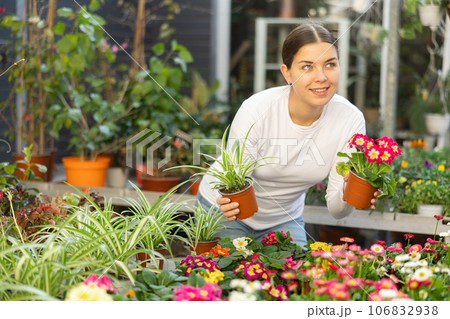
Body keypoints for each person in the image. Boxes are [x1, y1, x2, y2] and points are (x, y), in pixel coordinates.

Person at [195, 23, 374, 248]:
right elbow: (236, 183)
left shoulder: (350, 120)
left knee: (295, 280)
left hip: (283, 219)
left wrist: (354, 190)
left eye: (330, 64)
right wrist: (230, 203)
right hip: (224, 210)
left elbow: (337, 210)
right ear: (287, 73)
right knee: (227, 279)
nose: (321, 77)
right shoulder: (257, 110)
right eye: (307, 67)